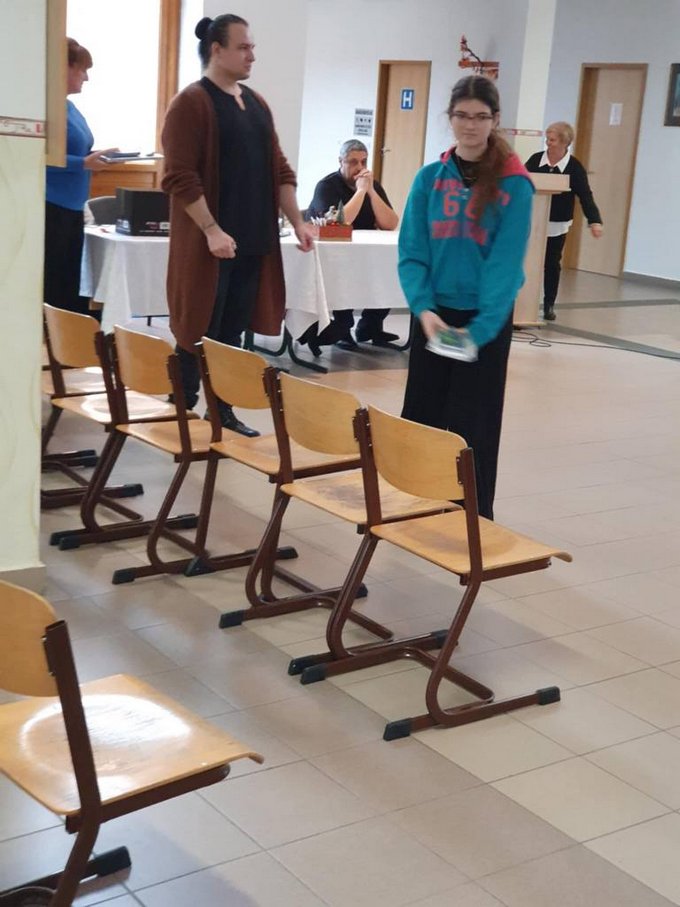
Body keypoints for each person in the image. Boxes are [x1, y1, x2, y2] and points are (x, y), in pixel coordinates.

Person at [161, 14, 314, 437]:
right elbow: (179, 177)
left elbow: (279, 169)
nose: (251, 56)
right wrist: (211, 230)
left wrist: (298, 222)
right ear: (217, 49)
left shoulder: (256, 103)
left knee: (231, 335)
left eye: (252, 48)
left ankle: (221, 411)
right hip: (208, 246)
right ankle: (179, 411)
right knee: (197, 328)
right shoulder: (191, 103)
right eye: (243, 47)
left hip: (252, 241)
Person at [398, 75, 534, 521]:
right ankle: (417, 509)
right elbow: (412, 252)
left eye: (480, 117)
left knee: (473, 427)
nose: (470, 125)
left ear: (495, 120)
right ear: (450, 117)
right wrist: (424, 310)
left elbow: (504, 265)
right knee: (424, 417)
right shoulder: (429, 179)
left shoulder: (514, 184)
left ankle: (470, 519)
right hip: (434, 318)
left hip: (483, 322)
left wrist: (478, 331)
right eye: (461, 115)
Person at [305, 139, 399, 350]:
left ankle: (370, 327)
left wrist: (371, 192)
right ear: (341, 161)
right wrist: (360, 192)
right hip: (332, 253)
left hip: (363, 251)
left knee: (389, 269)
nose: (360, 167)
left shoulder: (372, 186)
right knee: (343, 273)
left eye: (364, 162)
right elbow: (340, 222)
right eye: (353, 162)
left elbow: (390, 223)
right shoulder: (327, 186)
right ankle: (342, 329)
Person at [44, 38, 116, 316]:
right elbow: (39, 157)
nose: (86, 77)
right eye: (82, 69)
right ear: (64, 67)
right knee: (54, 281)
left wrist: (96, 158)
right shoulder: (45, 107)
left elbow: (78, 152)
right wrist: (84, 163)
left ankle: (70, 335)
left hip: (74, 207)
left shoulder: (70, 108)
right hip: (51, 206)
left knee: (71, 281)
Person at [525, 121, 603, 321]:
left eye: (552, 140)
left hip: (557, 223)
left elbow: (585, 196)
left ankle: (549, 304)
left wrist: (594, 221)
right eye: (547, 139)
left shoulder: (574, 167)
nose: (548, 143)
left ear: (564, 143)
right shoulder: (535, 160)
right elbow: (521, 184)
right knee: (527, 262)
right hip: (533, 221)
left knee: (552, 263)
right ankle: (524, 304)